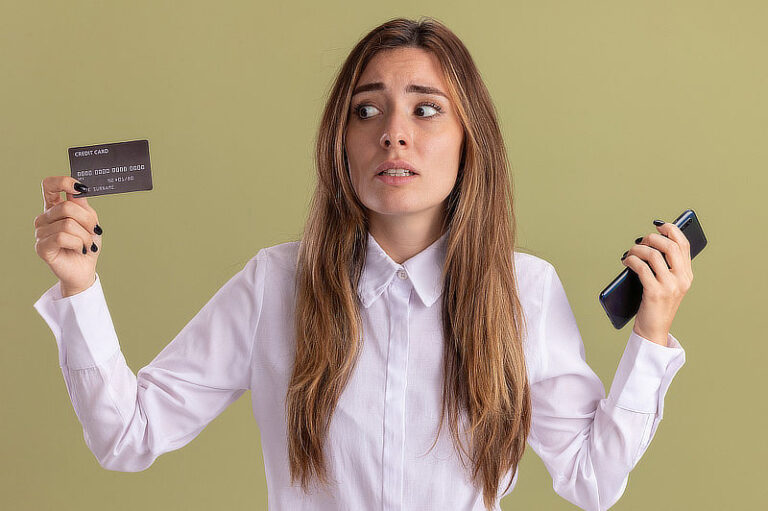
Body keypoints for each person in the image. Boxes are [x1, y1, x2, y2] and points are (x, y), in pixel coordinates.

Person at [32, 16, 692, 511]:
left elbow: (593, 478)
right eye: (367, 109)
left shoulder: (526, 291)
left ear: (470, 140)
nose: (393, 132)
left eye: (426, 109)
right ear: (341, 141)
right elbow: (126, 435)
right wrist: (80, 287)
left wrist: (652, 332)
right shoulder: (275, 286)